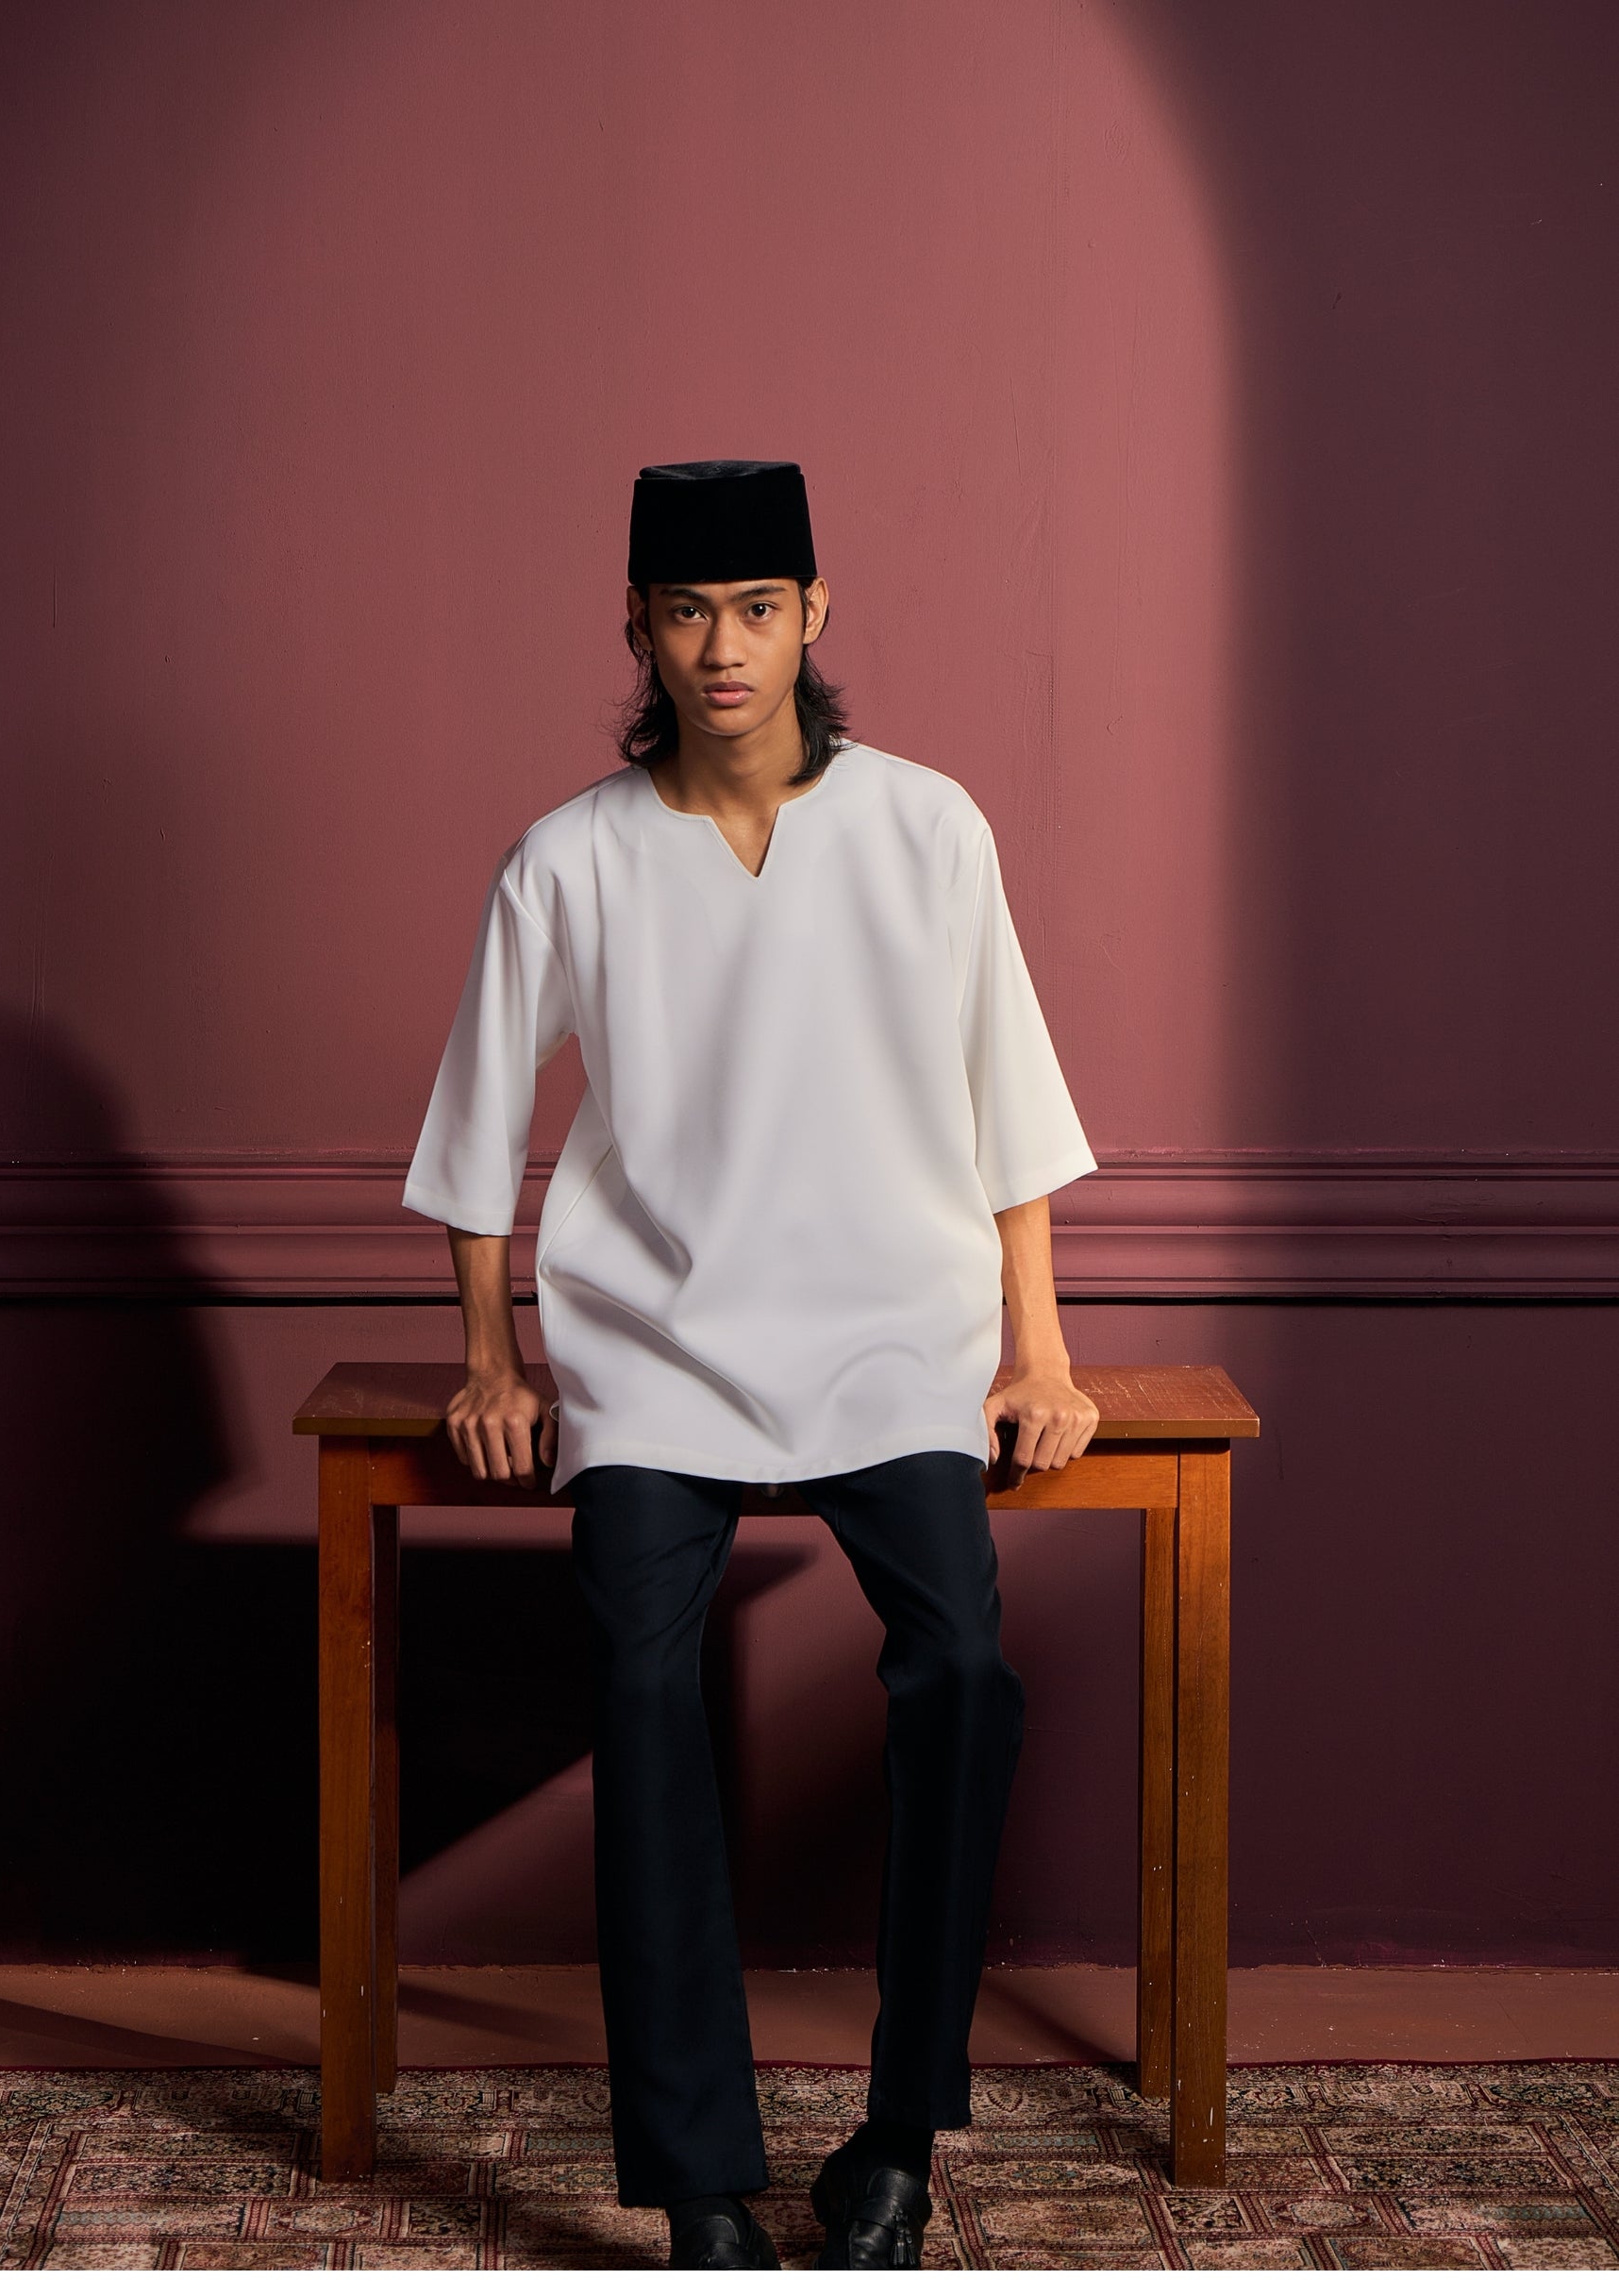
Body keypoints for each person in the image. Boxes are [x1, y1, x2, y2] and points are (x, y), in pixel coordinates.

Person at [400, 459, 1100, 2270]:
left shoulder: (926, 827)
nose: (725, 646)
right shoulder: (567, 857)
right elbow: (476, 1126)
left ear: (813, 617)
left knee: (961, 1666)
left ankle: (898, 2136)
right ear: (638, 627)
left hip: (892, 1334)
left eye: (759, 608)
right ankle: (697, 2173)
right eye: (689, 611)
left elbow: (1006, 1097)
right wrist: (491, 1356)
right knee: (640, 1682)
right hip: (655, 1347)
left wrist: (1034, 1348)